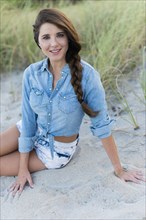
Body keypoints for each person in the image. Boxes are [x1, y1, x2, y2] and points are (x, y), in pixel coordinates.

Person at [0, 8, 144, 195]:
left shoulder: (88, 76)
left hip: (55, 150)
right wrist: (22, 168)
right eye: (46, 37)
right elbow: (28, 121)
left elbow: (101, 126)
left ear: (68, 37)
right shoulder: (31, 73)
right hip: (33, 130)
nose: (54, 43)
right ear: (38, 42)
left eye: (60, 35)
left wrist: (119, 169)